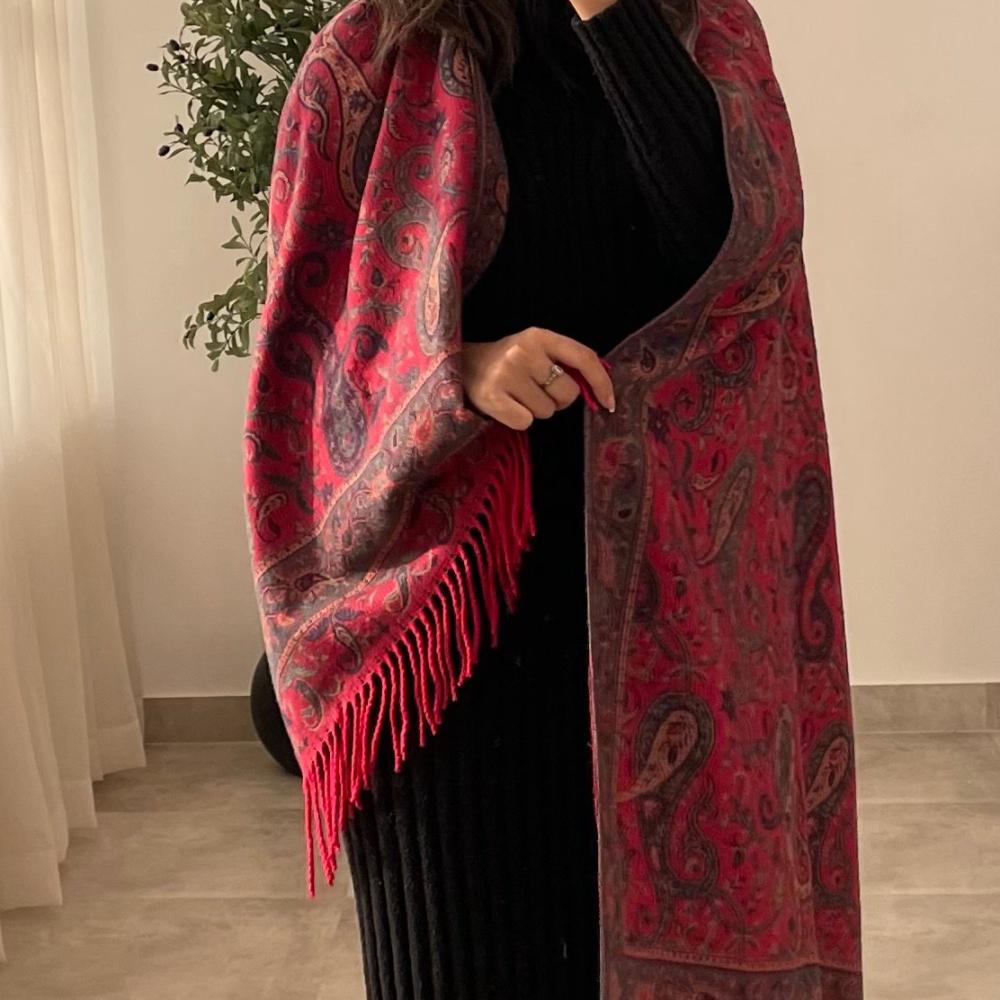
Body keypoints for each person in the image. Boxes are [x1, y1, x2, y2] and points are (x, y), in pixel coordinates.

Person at [339, 0, 733, 996]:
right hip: (452, 631)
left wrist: (613, 17)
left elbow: (726, 264)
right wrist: (456, 366)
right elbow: (309, 339)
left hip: (658, 616)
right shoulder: (378, 49)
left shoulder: (703, 29)